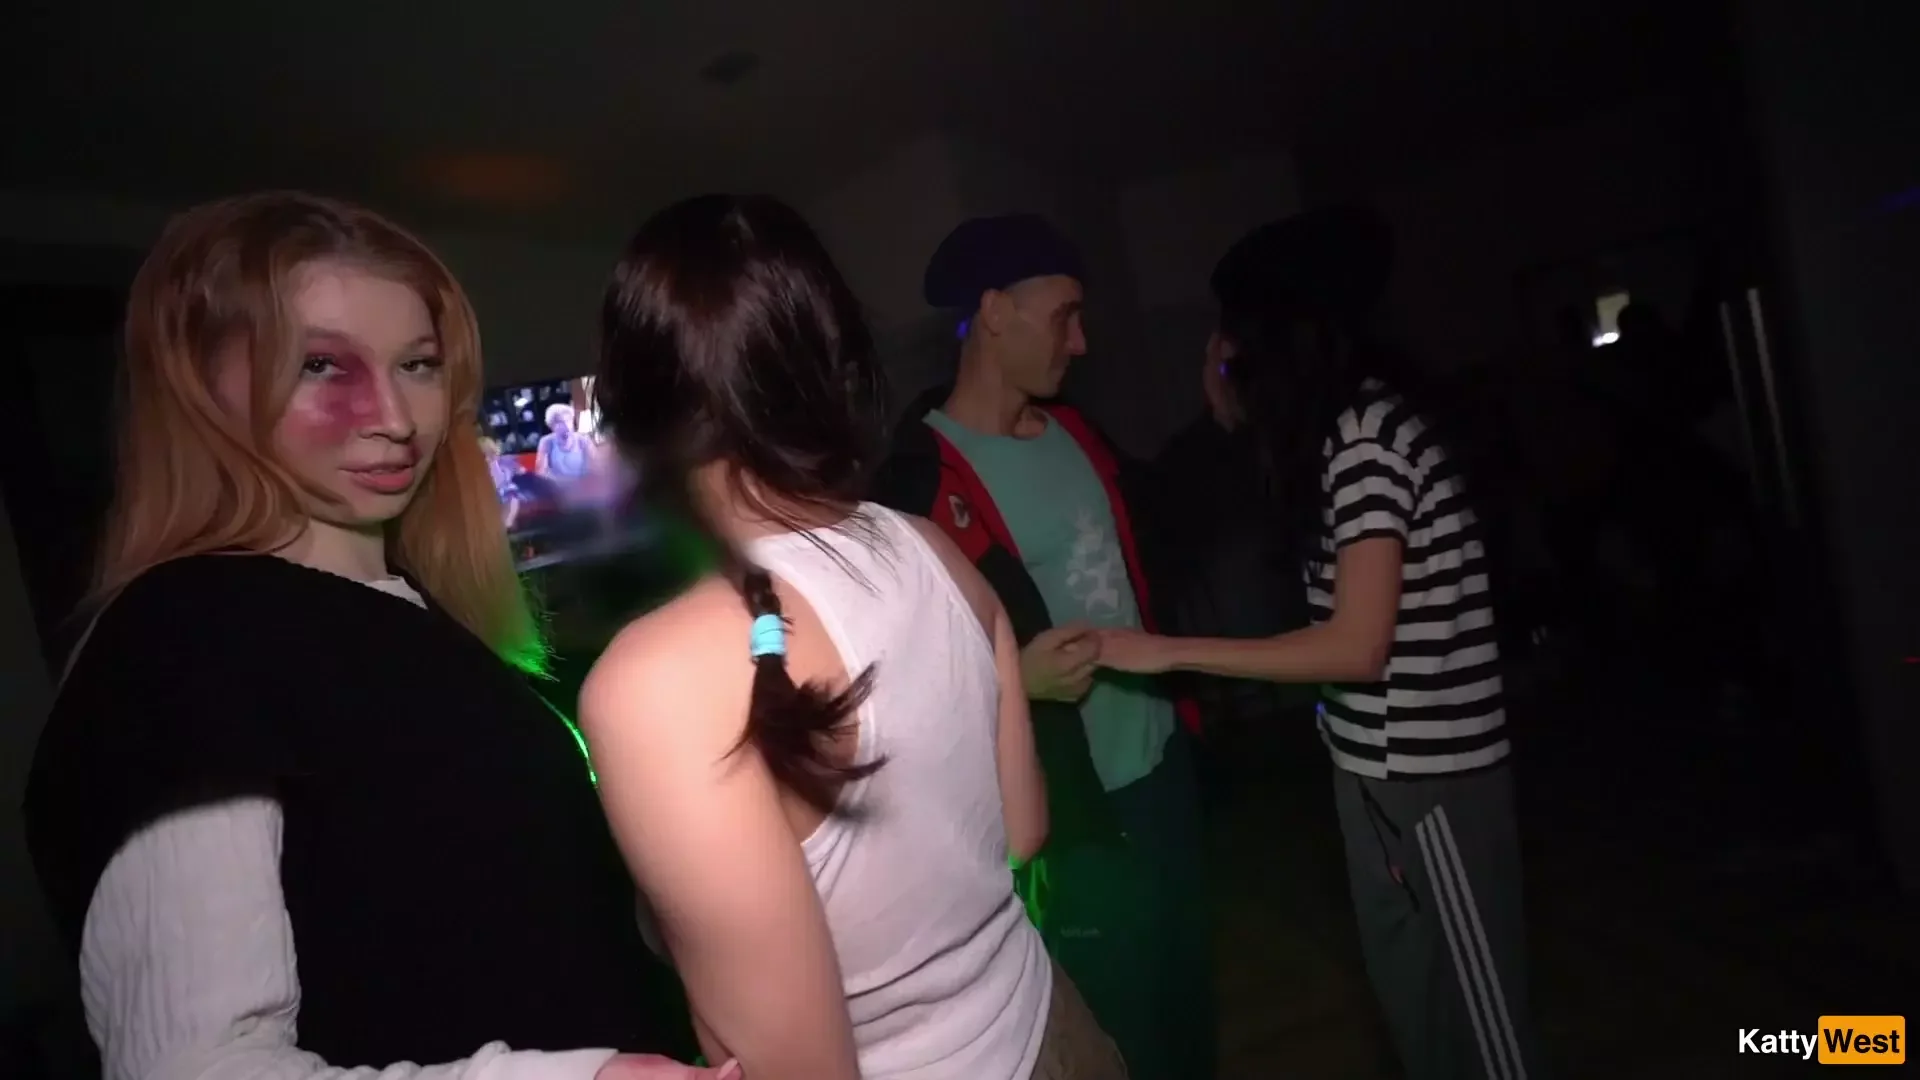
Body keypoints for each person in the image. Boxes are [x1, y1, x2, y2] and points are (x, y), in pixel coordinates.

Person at [22, 192, 721, 1080]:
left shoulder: (415, 614)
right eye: (322, 365)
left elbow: (513, 920)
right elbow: (199, 1066)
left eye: (418, 365)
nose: (394, 415)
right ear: (202, 386)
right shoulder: (185, 639)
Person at [579, 193, 1127, 1080]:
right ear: (837, 366)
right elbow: (1023, 829)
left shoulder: (652, 684)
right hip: (1056, 1029)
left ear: (636, 410)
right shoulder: (938, 549)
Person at [1096, 209, 1544, 1080]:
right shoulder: (1346, 436)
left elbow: (1355, 648)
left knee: (1484, 1034)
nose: (1217, 356)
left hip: (1429, 783)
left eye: (1228, 338)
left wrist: (1169, 652)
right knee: (1423, 1016)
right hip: (1385, 777)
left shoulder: (1368, 439)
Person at [869, 213, 1210, 1080]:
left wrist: (1219, 424)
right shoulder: (918, 484)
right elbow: (906, 679)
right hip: (1071, 818)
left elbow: (1163, 531)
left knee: (1187, 1009)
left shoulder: (1078, 432)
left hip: (1161, 773)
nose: (1081, 341)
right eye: (1065, 316)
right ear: (994, 312)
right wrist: (1015, 679)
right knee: (1122, 1037)